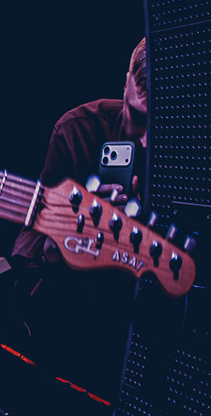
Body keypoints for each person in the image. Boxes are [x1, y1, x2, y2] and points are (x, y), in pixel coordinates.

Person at [12, 38, 149, 263]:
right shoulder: (77, 131)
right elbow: (27, 243)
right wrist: (67, 237)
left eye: (158, 125)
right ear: (126, 84)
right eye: (138, 117)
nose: (144, 141)